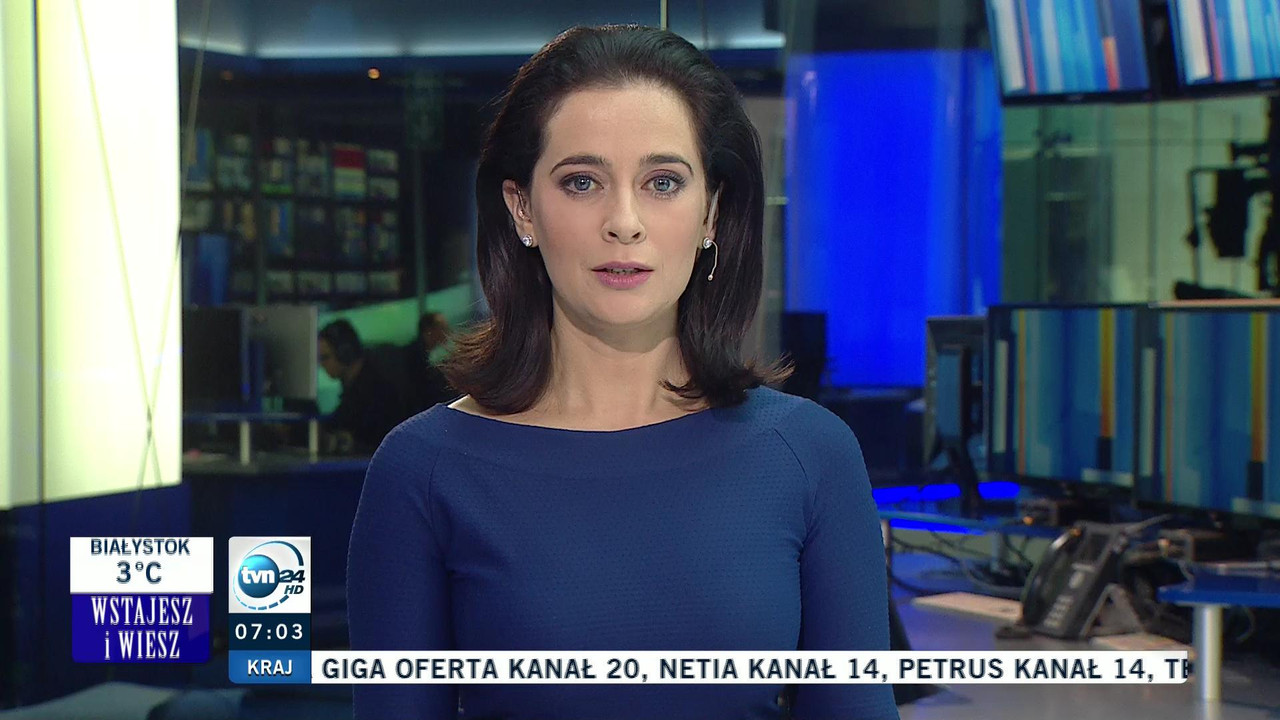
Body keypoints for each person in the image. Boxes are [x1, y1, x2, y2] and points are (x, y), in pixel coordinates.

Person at [347, 25, 898, 720]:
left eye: (662, 182)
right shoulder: (423, 470)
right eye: (582, 182)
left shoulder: (810, 456)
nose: (625, 222)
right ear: (522, 209)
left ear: (711, 211)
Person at [317, 319, 406, 455]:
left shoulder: (377, 391)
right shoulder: (354, 388)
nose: (322, 364)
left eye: (325, 357)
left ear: (344, 353)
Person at [404, 311, 456, 411]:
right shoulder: (415, 357)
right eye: (442, 328)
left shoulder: (425, 353)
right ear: (429, 330)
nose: (448, 331)